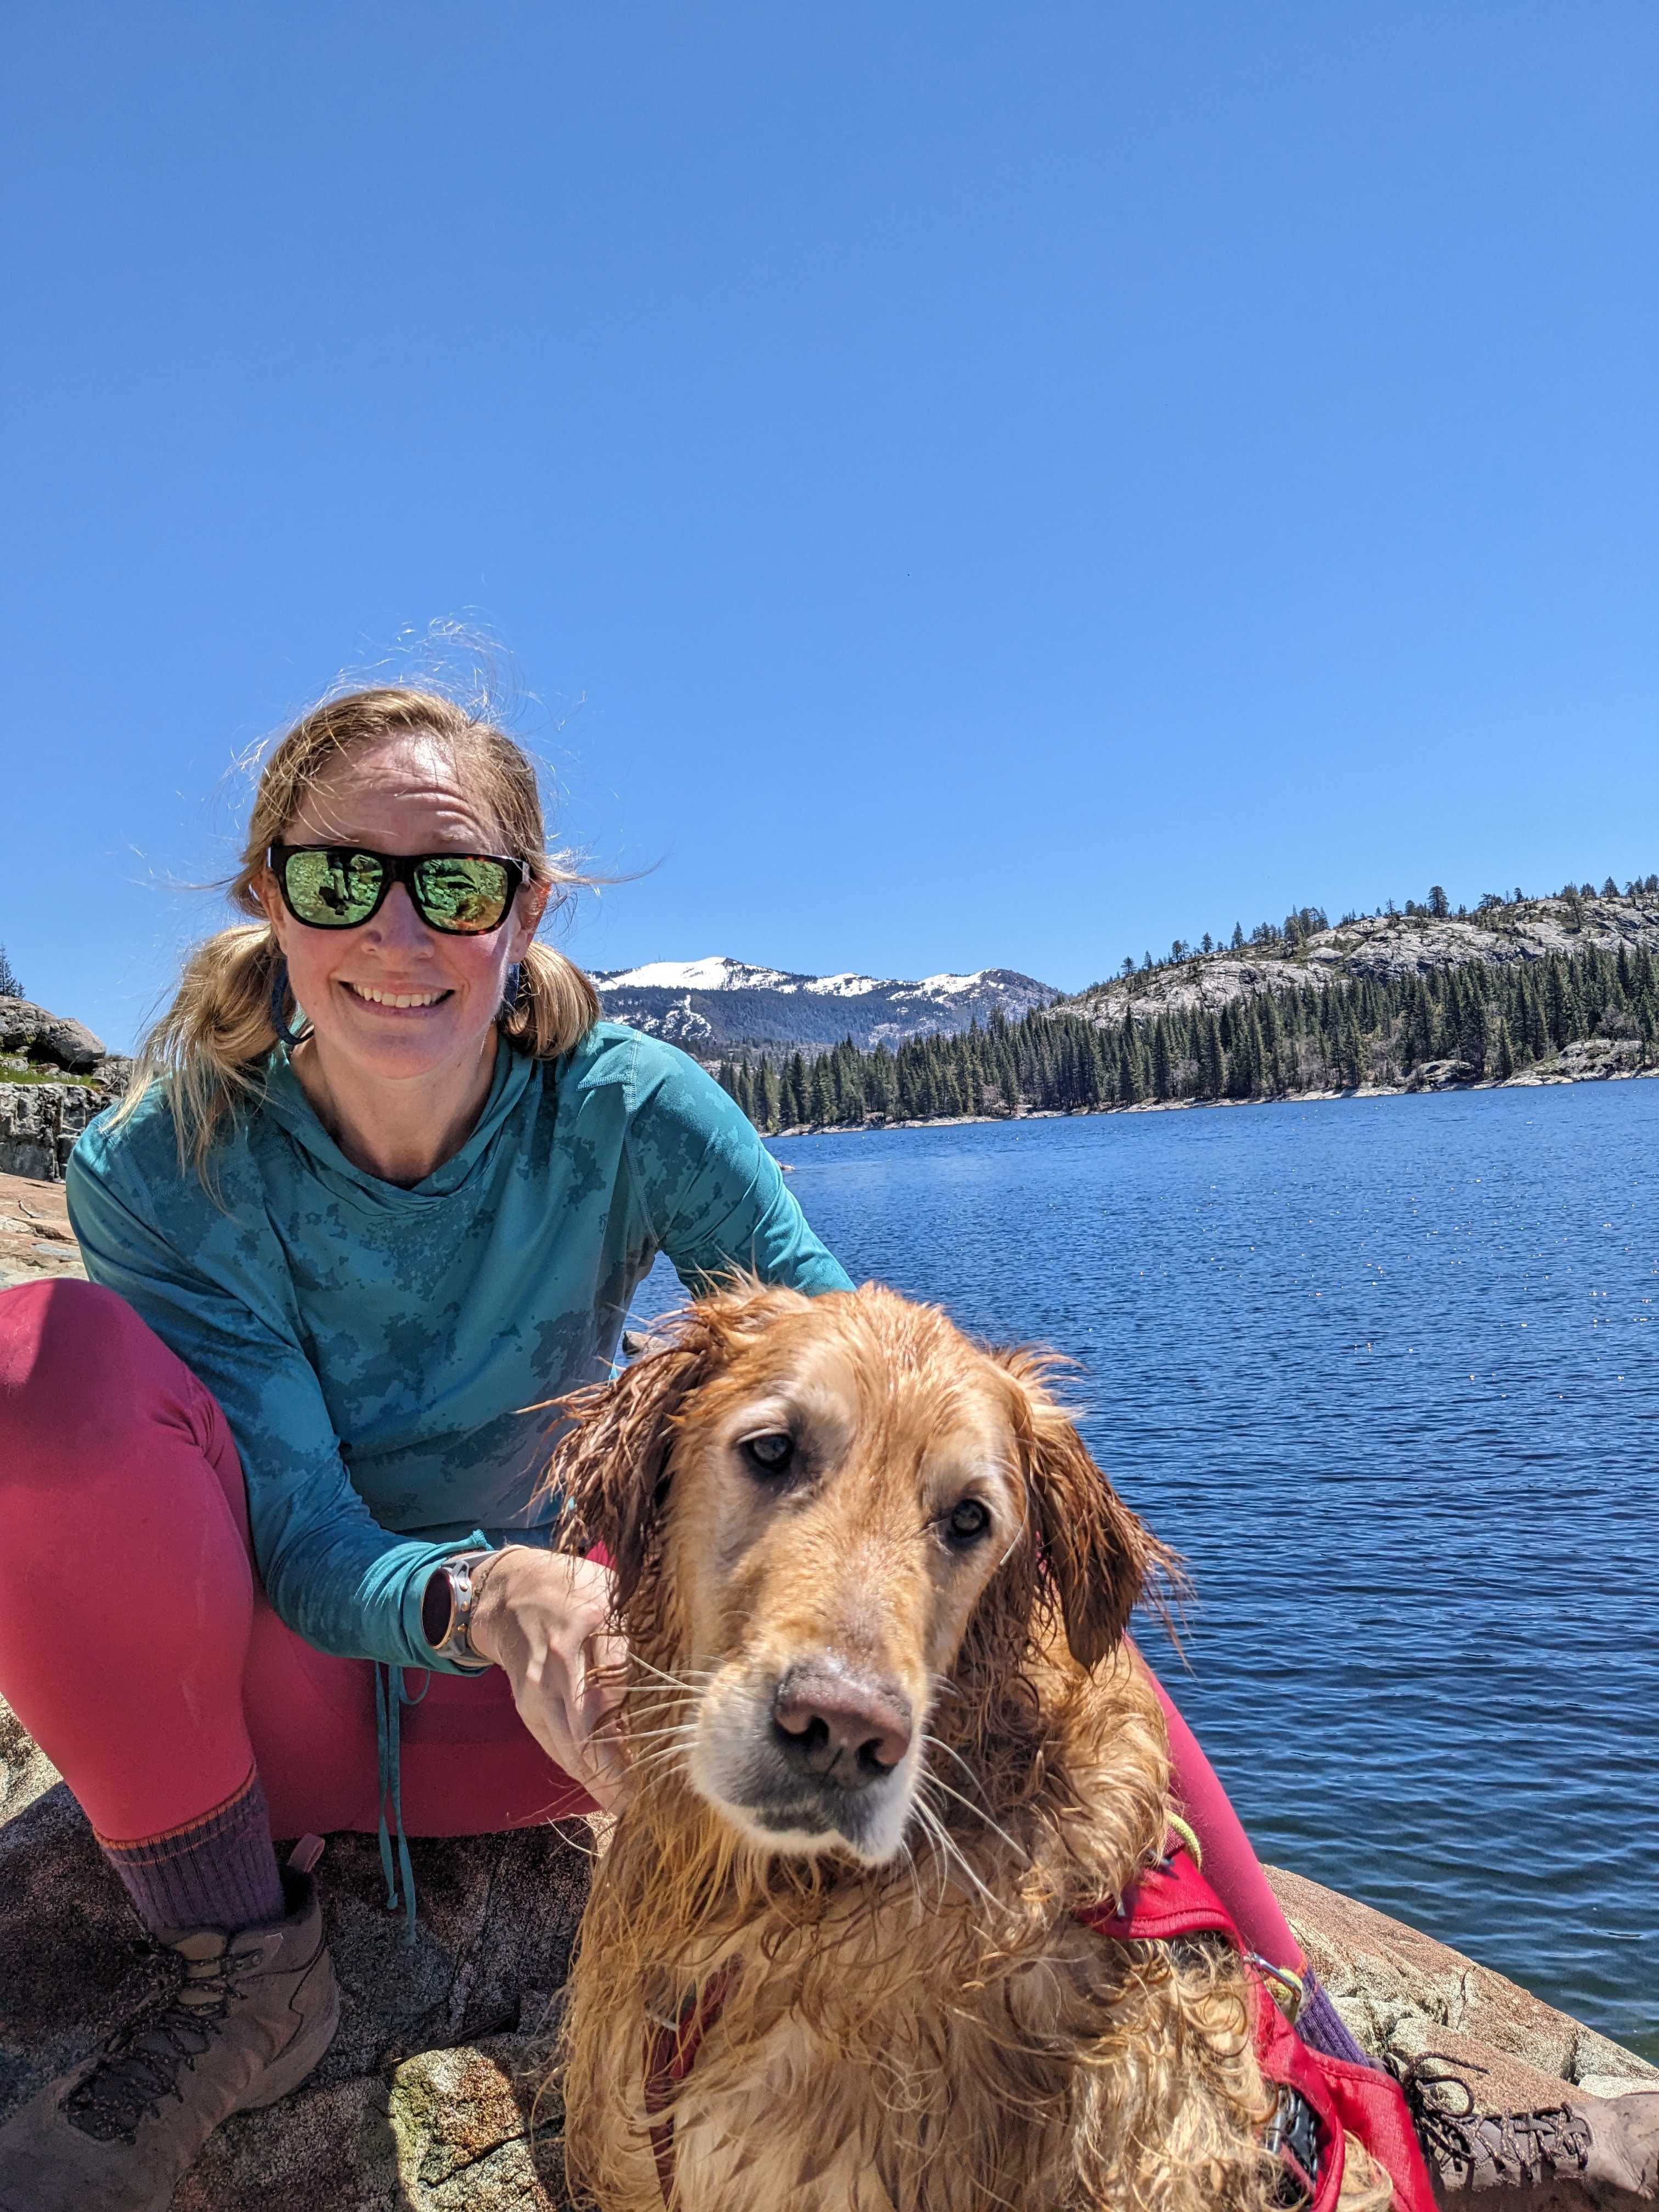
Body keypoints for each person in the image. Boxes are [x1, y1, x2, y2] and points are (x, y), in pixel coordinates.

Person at [0, 684, 1355, 2211]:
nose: (398, 935)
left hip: (573, 1723)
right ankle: (242, 1972)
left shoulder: (632, 1110)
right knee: (34, 1377)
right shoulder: (165, 1161)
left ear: (527, 909)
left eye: (454, 884)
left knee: (980, 1508)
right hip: (274, 1715)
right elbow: (301, 1529)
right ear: (268, 895)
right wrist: (484, 1592)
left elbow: (884, 1408)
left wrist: (1291, 1999)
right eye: (339, 879)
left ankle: (1322, 2057)